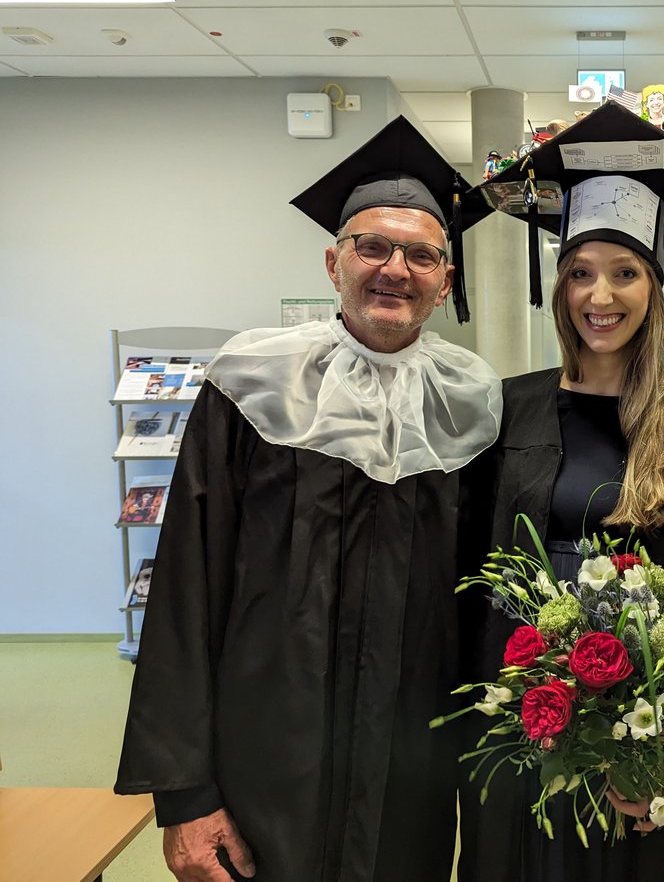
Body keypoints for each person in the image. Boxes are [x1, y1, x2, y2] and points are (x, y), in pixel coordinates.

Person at [114, 116, 503, 882]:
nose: (396, 268)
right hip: (263, 763)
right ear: (334, 263)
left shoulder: (473, 405)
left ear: (445, 281)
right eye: (373, 246)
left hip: (410, 767)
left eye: (422, 254)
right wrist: (186, 796)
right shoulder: (250, 386)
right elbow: (186, 590)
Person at [456, 101, 664, 882]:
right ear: (560, 286)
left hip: (650, 701)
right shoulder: (510, 405)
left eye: (626, 273)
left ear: (653, 289)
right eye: (582, 273)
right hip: (525, 691)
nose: (603, 296)